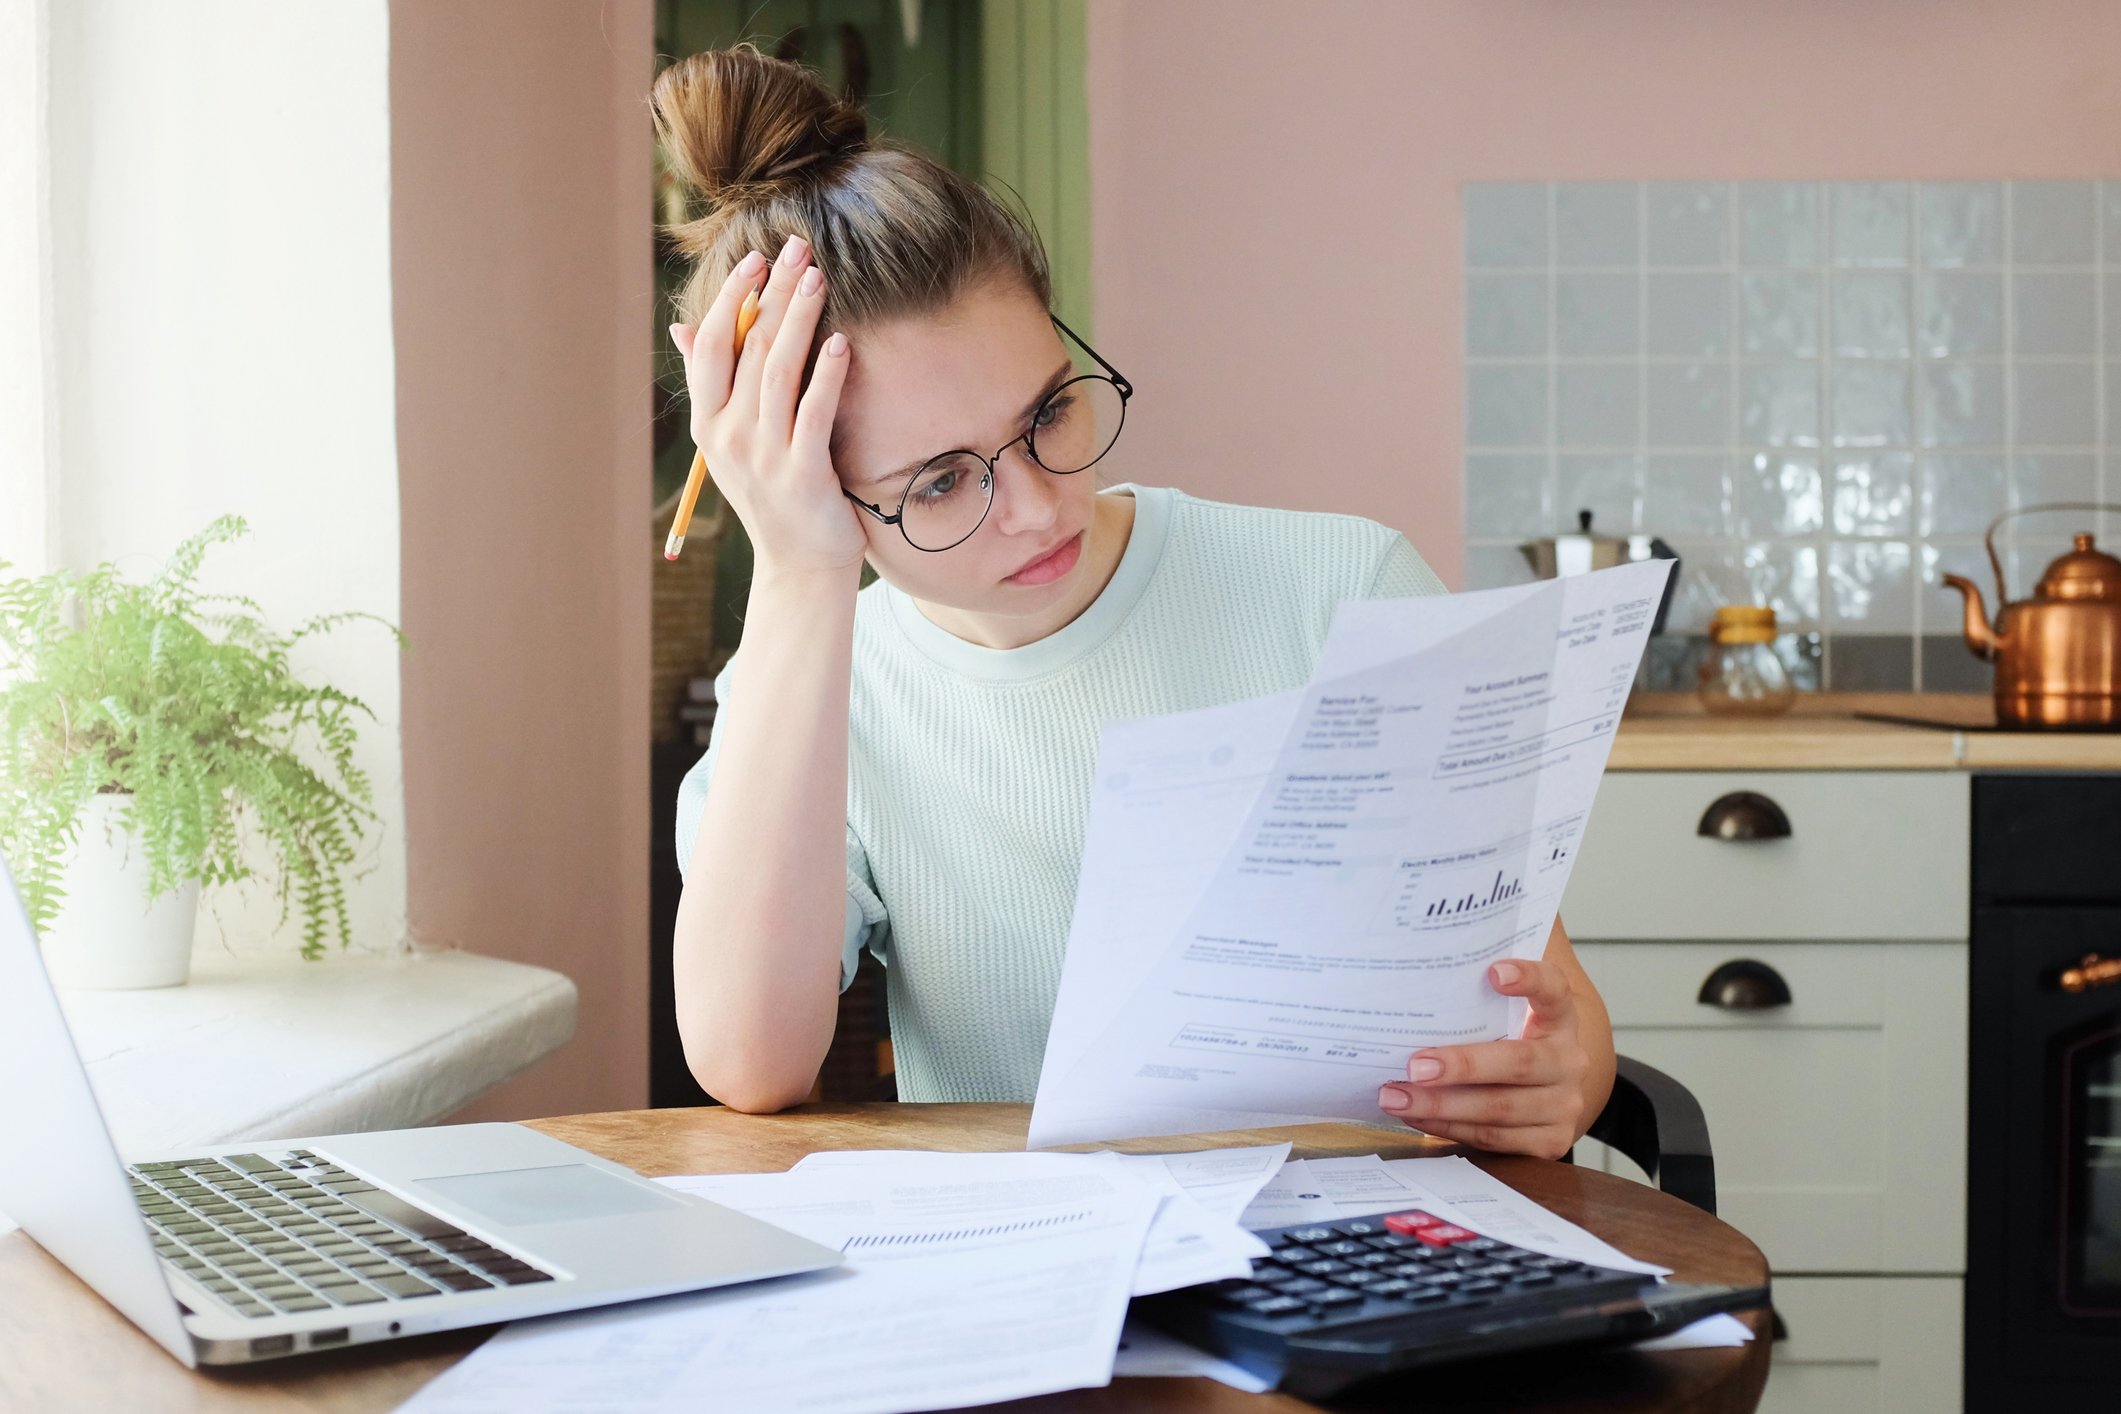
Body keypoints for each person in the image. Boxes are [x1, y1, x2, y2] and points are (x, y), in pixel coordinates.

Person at [658, 45, 1612, 1160]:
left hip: (1360, 1246)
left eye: (1049, 413)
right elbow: (747, 1062)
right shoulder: (815, 682)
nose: (1037, 506)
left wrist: (1572, 1064)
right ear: (815, 489)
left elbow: (1547, 995)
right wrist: (798, 570)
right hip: (1038, 1272)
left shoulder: (1344, 591)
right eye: (939, 481)